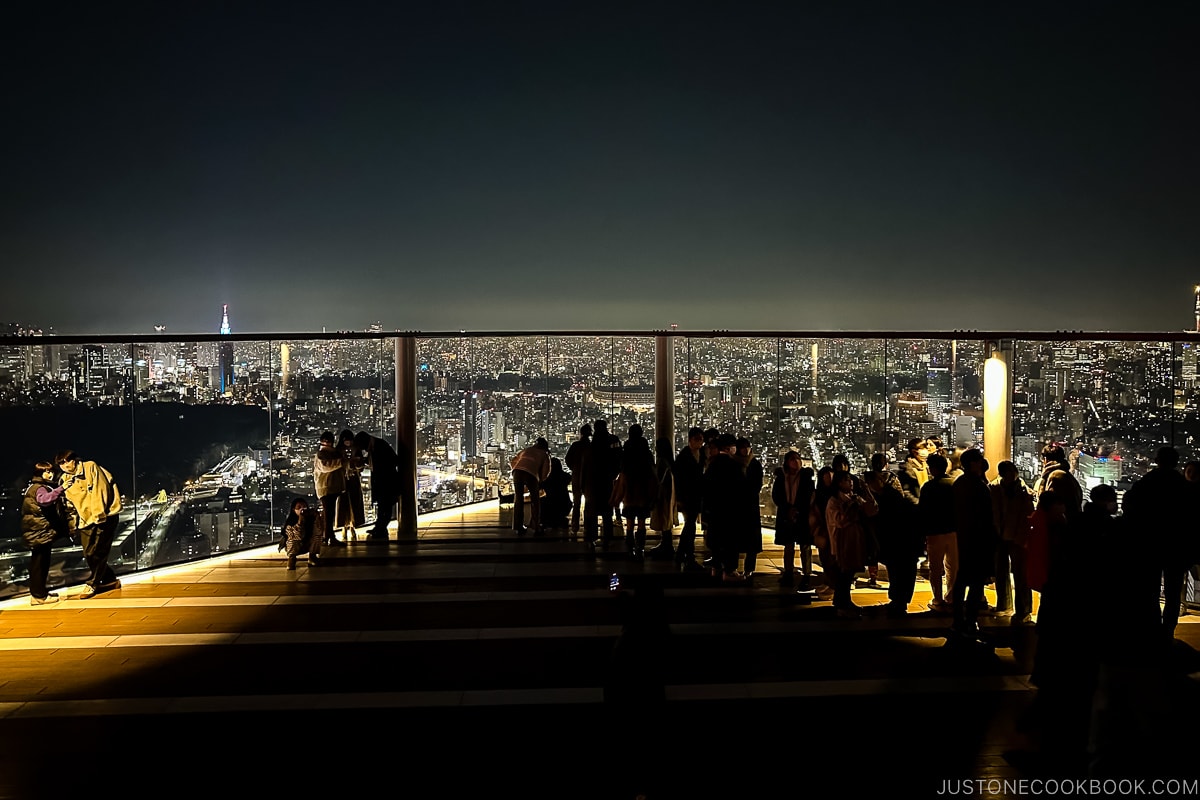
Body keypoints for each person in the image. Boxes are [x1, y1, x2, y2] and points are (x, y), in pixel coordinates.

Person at [1121, 446, 1192, 640]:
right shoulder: (1183, 486)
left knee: (1149, 588)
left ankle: (1150, 627)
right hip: (1176, 546)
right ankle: (1167, 630)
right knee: (1173, 591)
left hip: (1150, 544)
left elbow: (1131, 506)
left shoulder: (1148, 482)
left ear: (1158, 460)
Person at [55, 449, 122, 598]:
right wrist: (73, 525)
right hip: (84, 521)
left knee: (99, 551)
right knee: (89, 553)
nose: (65, 466)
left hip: (105, 517)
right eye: (61, 463)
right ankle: (111, 580)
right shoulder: (64, 480)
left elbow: (101, 490)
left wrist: (99, 516)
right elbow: (69, 506)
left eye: (67, 461)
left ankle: (92, 584)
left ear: (75, 459)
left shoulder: (90, 467)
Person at [952, 448, 998, 639]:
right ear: (973, 464)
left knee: (962, 580)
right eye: (979, 461)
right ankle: (970, 621)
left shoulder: (960, 484)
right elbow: (986, 516)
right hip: (979, 540)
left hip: (965, 538)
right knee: (976, 582)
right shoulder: (977, 486)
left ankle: (959, 620)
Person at [826, 469, 878, 618]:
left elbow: (872, 509)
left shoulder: (852, 497)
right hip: (842, 543)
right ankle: (842, 604)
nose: (851, 483)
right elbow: (840, 521)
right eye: (847, 480)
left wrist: (866, 492)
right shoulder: (834, 501)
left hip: (854, 542)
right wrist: (852, 507)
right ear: (839, 483)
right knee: (844, 574)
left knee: (848, 574)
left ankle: (844, 601)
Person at [989, 460, 1035, 622]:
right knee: (1003, 573)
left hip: (1016, 536)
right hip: (1003, 534)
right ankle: (1008, 606)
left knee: (1020, 574)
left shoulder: (1022, 491)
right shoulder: (996, 488)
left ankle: (1022, 609)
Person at [22, 461, 72, 605]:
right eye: (46, 471)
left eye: (51, 471)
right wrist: (61, 488)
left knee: (39, 564)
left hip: (38, 533)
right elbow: (44, 500)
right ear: (39, 473)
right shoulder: (39, 488)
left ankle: (39, 593)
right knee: (39, 565)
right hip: (39, 533)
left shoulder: (33, 487)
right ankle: (39, 596)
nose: (50, 474)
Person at [611, 424, 658, 558]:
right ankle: (640, 548)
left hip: (630, 491)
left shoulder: (627, 450)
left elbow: (622, 470)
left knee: (630, 521)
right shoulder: (646, 451)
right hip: (643, 490)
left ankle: (629, 547)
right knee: (642, 521)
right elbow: (652, 471)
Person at [920, 453, 958, 613]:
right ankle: (952, 597)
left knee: (935, 568)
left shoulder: (928, 487)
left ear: (933, 469)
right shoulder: (955, 484)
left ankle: (938, 599)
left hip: (934, 531)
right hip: (953, 531)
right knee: (953, 567)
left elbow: (923, 511)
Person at [773, 452, 814, 589]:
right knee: (789, 546)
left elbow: (809, 495)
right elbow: (776, 496)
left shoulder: (806, 477)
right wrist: (787, 509)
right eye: (792, 459)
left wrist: (796, 509)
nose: (796, 462)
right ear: (787, 462)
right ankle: (788, 573)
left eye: (798, 459)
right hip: (786, 515)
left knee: (805, 546)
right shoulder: (781, 477)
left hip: (802, 514)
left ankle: (807, 575)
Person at [353, 431, 400, 542]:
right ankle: (379, 528)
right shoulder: (375, 446)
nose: (363, 450)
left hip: (387, 481)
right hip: (382, 481)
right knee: (382, 506)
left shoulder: (379, 446)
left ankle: (381, 529)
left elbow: (392, 461)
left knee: (386, 506)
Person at [671, 427, 707, 571]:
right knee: (690, 525)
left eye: (701, 439)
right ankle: (688, 556)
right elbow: (678, 479)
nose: (699, 442)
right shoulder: (684, 456)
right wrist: (679, 498)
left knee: (690, 525)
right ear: (690, 440)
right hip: (687, 496)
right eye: (697, 439)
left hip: (696, 495)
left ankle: (681, 554)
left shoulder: (701, 454)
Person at [510, 437, 551, 535]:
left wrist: (516, 469)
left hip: (517, 472)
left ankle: (518, 526)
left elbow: (513, 461)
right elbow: (546, 471)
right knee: (535, 500)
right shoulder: (544, 454)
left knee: (518, 499)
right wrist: (540, 480)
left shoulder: (526, 450)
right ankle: (536, 525)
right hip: (531, 474)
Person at [313, 431, 347, 547]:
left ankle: (327, 537)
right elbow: (326, 466)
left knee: (329, 513)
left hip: (328, 487)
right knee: (328, 513)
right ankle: (328, 537)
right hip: (327, 487)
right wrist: (342, 461)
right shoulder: (322, 454)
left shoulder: (325, 453)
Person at [336, 429, 366, 542]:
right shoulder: (338, 451)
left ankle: (353, 526)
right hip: (343, 481)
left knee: (354, 503)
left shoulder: (356, 450)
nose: (348, 443)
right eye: (346, 441)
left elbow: (361, 465)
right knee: (344, 504)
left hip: (353, 480)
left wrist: (355, 464)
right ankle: (344, 526)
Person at [564, 424, 592, 535]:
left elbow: (567, 459)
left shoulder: (575, 445)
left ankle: (574, 527)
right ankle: (587, 527)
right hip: (589, 477)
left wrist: (574, 468)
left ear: (580, 433)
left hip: (576, 476)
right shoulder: (591, 446)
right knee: (589, 504)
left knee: (577, 503)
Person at [283, 497, 323, 570]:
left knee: (317, 536)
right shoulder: (291, 522)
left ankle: (312, 557)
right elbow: (297, 536)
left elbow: (319, 531)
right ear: (293, 509)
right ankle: (292, 559)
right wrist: (299, 523)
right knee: (293, 540)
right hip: (295, 546)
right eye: (299, 507)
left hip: (308, 543)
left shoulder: (311, 518)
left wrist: (317, 518)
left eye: (304, 507)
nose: (302, 509)